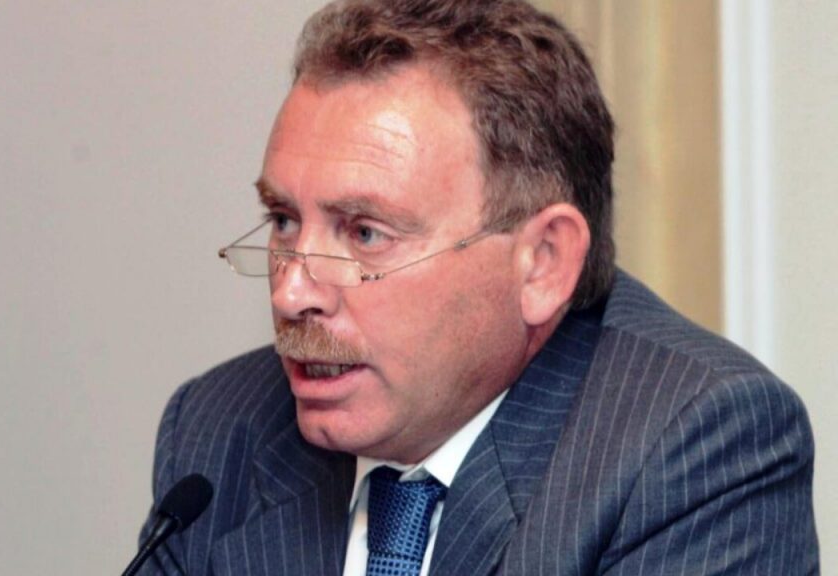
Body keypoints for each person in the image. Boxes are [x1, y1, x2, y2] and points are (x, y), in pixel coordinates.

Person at [137, 1, 818, 574]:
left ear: (542, 263)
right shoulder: (221, 428)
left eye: (366, 233)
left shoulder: (694, 447)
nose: (291, 294)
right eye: (284, 220)